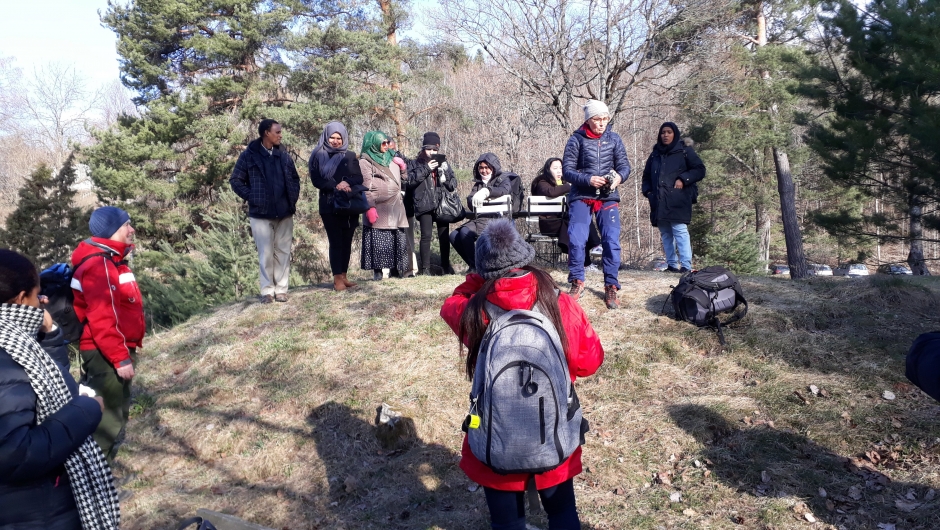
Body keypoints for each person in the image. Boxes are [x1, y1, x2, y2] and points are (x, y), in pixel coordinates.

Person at [440, 219, 604, 530]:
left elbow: (449, 304)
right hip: (553, 435)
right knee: (562, 515)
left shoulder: (474, 310)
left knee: (507, 523)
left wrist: (477, 280)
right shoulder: (559, 302)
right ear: (523, 256)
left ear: (483, 269)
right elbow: (590, 362)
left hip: (495, 439)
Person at [0, 249, 121, 530]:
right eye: (37, 294)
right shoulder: (6, 351)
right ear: (20, 298)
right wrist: (87, 410)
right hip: (33, 514)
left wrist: (51, 337)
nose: (41, 302)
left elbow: (38, 386)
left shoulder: (17, 342)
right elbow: (14, 454)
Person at [70, 206, 145, 462]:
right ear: (113, 230)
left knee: (115, 414)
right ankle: (88, 484)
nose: (131, 229)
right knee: (106, 420)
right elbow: (103, 318)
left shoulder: (110, 260)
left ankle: (98, 475)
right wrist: (120, 357)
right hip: (105, 354)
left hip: (111, 351)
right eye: (127, 225)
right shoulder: (99, 266)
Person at [563, 100, 631, 310]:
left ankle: (611, 285)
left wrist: (619, 177)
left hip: (608, 196)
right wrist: (589, 179)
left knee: (611, 240)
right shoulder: (576, 140)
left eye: (605, 119)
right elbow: (567, 171)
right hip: (581, 195)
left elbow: (625, 166)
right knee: (576, 238)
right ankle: (577, 281)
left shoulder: (614, 139)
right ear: (588, 120)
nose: (601, 123)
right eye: (597, 119)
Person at [229, 119, 301, 303]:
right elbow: (236, 181)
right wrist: (253, 197)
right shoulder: (249, 156)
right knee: (266, 253)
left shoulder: (284, 155)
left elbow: (294, 178)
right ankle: (267, 291)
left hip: (285, 212)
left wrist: (292, 199)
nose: (280, 135)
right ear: (266, 133)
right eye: (277, 132)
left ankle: (281, 290)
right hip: (260, 214)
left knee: (283, 252)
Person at [641, 122, 706, 273]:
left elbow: (700, 170)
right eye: (663, 132)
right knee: (665, 232)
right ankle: (671, 265)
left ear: (675, 134)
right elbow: (646, 176)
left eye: (669, 132)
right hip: (659, 200)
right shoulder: (655, 153)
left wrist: (683, 179)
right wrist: (648, 192)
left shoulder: (684, 151)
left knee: (679, 230)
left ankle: (686, 266)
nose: (665, 135)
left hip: (679, 199)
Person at [309, 121, 365, 292]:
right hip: (329, 205)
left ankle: (344, 275)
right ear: (326, 137)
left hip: (349, 204)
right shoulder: (317, 156)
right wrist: (335, 186)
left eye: (338, 138)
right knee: (335, 241)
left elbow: (358, 178)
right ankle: (337, 279)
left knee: (347, 240)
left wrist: (347, 182)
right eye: (332, 137)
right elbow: (316, 180)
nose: (335, 141)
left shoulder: (350, 156)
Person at [530, 157, 602, 272]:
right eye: (555, 168)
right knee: (578, 220)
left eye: (561, 168)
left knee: (580, 221)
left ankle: (587, 262)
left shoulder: (563, 182)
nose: (559, 171)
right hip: (549, 223)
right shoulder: (542, 182)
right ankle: (595, 246)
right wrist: (569, 186)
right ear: (548, 170)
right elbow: (551, 192)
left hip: (564, 220)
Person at [358, 131, 409, 280]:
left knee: (397, 240)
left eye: (387, 143)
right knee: (379, 241)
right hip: (379, 206)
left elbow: (405, 180)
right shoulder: (365, 161)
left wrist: (403, 167)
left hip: (396, 206)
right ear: (373, 144)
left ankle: (398, 272)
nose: (387, 146)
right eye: (383, 143)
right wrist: (370, 206)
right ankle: (378, 272)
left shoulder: (392, 158)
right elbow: (365, 186)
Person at [449, 153, 513, 270]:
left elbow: (504, 190)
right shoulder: (478, 184)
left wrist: (487, 192)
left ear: (493, 167)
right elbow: (471, 199)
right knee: (453, 235)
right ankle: (474, 264)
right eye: (481, 168)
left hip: (496, 219)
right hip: (480, 218)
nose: (484, 171)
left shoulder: (503, 179)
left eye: (487, 168)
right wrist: (471, 199)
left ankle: (477, 266)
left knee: (464, 232)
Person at [407, 132, 457, 275]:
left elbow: (453, 185)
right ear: (423, 148)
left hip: (441, 203)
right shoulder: (416, 163)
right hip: (424, 202)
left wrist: (444, 175)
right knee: (426, 236)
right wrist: (427, 168)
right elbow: (410, 181)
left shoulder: (444, 164)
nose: (432, 152)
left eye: (435, 150)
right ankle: (425, 270)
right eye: (429, 149)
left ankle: (446, 268)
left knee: (444, 236)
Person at [387, 139, 415, 278]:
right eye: (387, 148)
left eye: (393, 148)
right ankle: (393, 270)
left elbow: (409, 180)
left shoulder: (403, 161)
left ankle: (408, 270)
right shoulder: (381, 161)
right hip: (386, 205)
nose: (391, 151)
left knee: (405, 240)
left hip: (403, 205)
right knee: (390, 239)